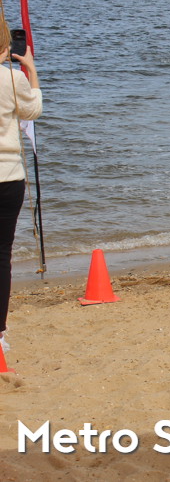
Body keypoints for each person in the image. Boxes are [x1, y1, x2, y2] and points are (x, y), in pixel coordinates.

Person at [0, 28, 42, 355]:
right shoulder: (12, 78)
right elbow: (32, 111)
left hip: (8, 173)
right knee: (2, 255)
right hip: (7, 174)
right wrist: (31, 68)